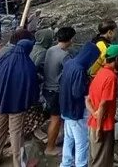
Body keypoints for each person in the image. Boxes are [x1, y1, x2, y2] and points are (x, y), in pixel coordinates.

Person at [0, 39, 39, 167]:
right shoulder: (27, 65)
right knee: (17, 135)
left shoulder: (3, 60)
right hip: (16, 107)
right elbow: (32, 87)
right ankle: (20, 163)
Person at [60, 41, 99, 167]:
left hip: (65, 107)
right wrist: (88, 86)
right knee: (81, 142)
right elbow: (77, 93)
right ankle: (81, 164)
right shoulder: (80, 70)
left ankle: (66, 163)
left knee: (68, 139)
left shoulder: (69, 63)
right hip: (76, 110)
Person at [86, 44, 118, 167]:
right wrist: (99, 129)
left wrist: (94, 114)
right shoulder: (111, 77)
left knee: (94, 159)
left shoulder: (99, 73)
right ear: (117, 59)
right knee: (102, 161)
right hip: (104, 126)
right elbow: (103, 105)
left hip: (93, 122)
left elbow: (88, 100)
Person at [43, 26, 75, 156]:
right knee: (56, 119)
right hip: (56, 91)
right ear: (71, 39)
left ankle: (55, 140)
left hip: (47, 88)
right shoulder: (65, 55)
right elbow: (71, 73)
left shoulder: (51, 50)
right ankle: (50, 148)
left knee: (55, 118)